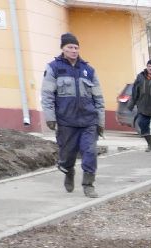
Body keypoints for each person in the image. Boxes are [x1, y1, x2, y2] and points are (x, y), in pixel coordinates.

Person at [40, 33, 104, 197]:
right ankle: (68, 170)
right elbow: (47, 95)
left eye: (76, 47)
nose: (74, 50)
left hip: (88, 120)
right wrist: (50, 117)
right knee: (67, 155)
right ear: (63, 48)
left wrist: (100, 121)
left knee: (90, 152)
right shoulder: (54, 68)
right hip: (66, 121)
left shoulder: (88, 70)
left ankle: (88, 185)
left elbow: (98, 97)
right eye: (70, 47)